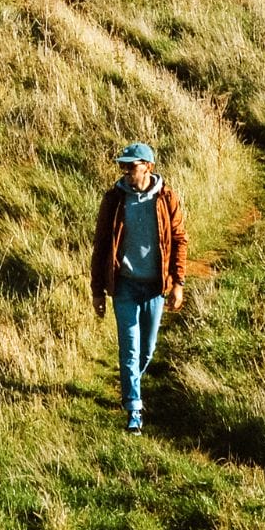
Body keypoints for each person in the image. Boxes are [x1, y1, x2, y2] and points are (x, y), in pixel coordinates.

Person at [89, 141, 188, 432]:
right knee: (130, 351)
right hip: (125, 287)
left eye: (131, 166)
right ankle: (134, 409)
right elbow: (101, 246)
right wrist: (97, 290)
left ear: (148, 167)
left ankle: (130, 385)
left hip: (155, 287)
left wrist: (178, 283)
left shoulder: (166, 198)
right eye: (123, 166)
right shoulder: (115, 200)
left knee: (147, 349)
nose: (126, 171)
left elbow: (180, 240)